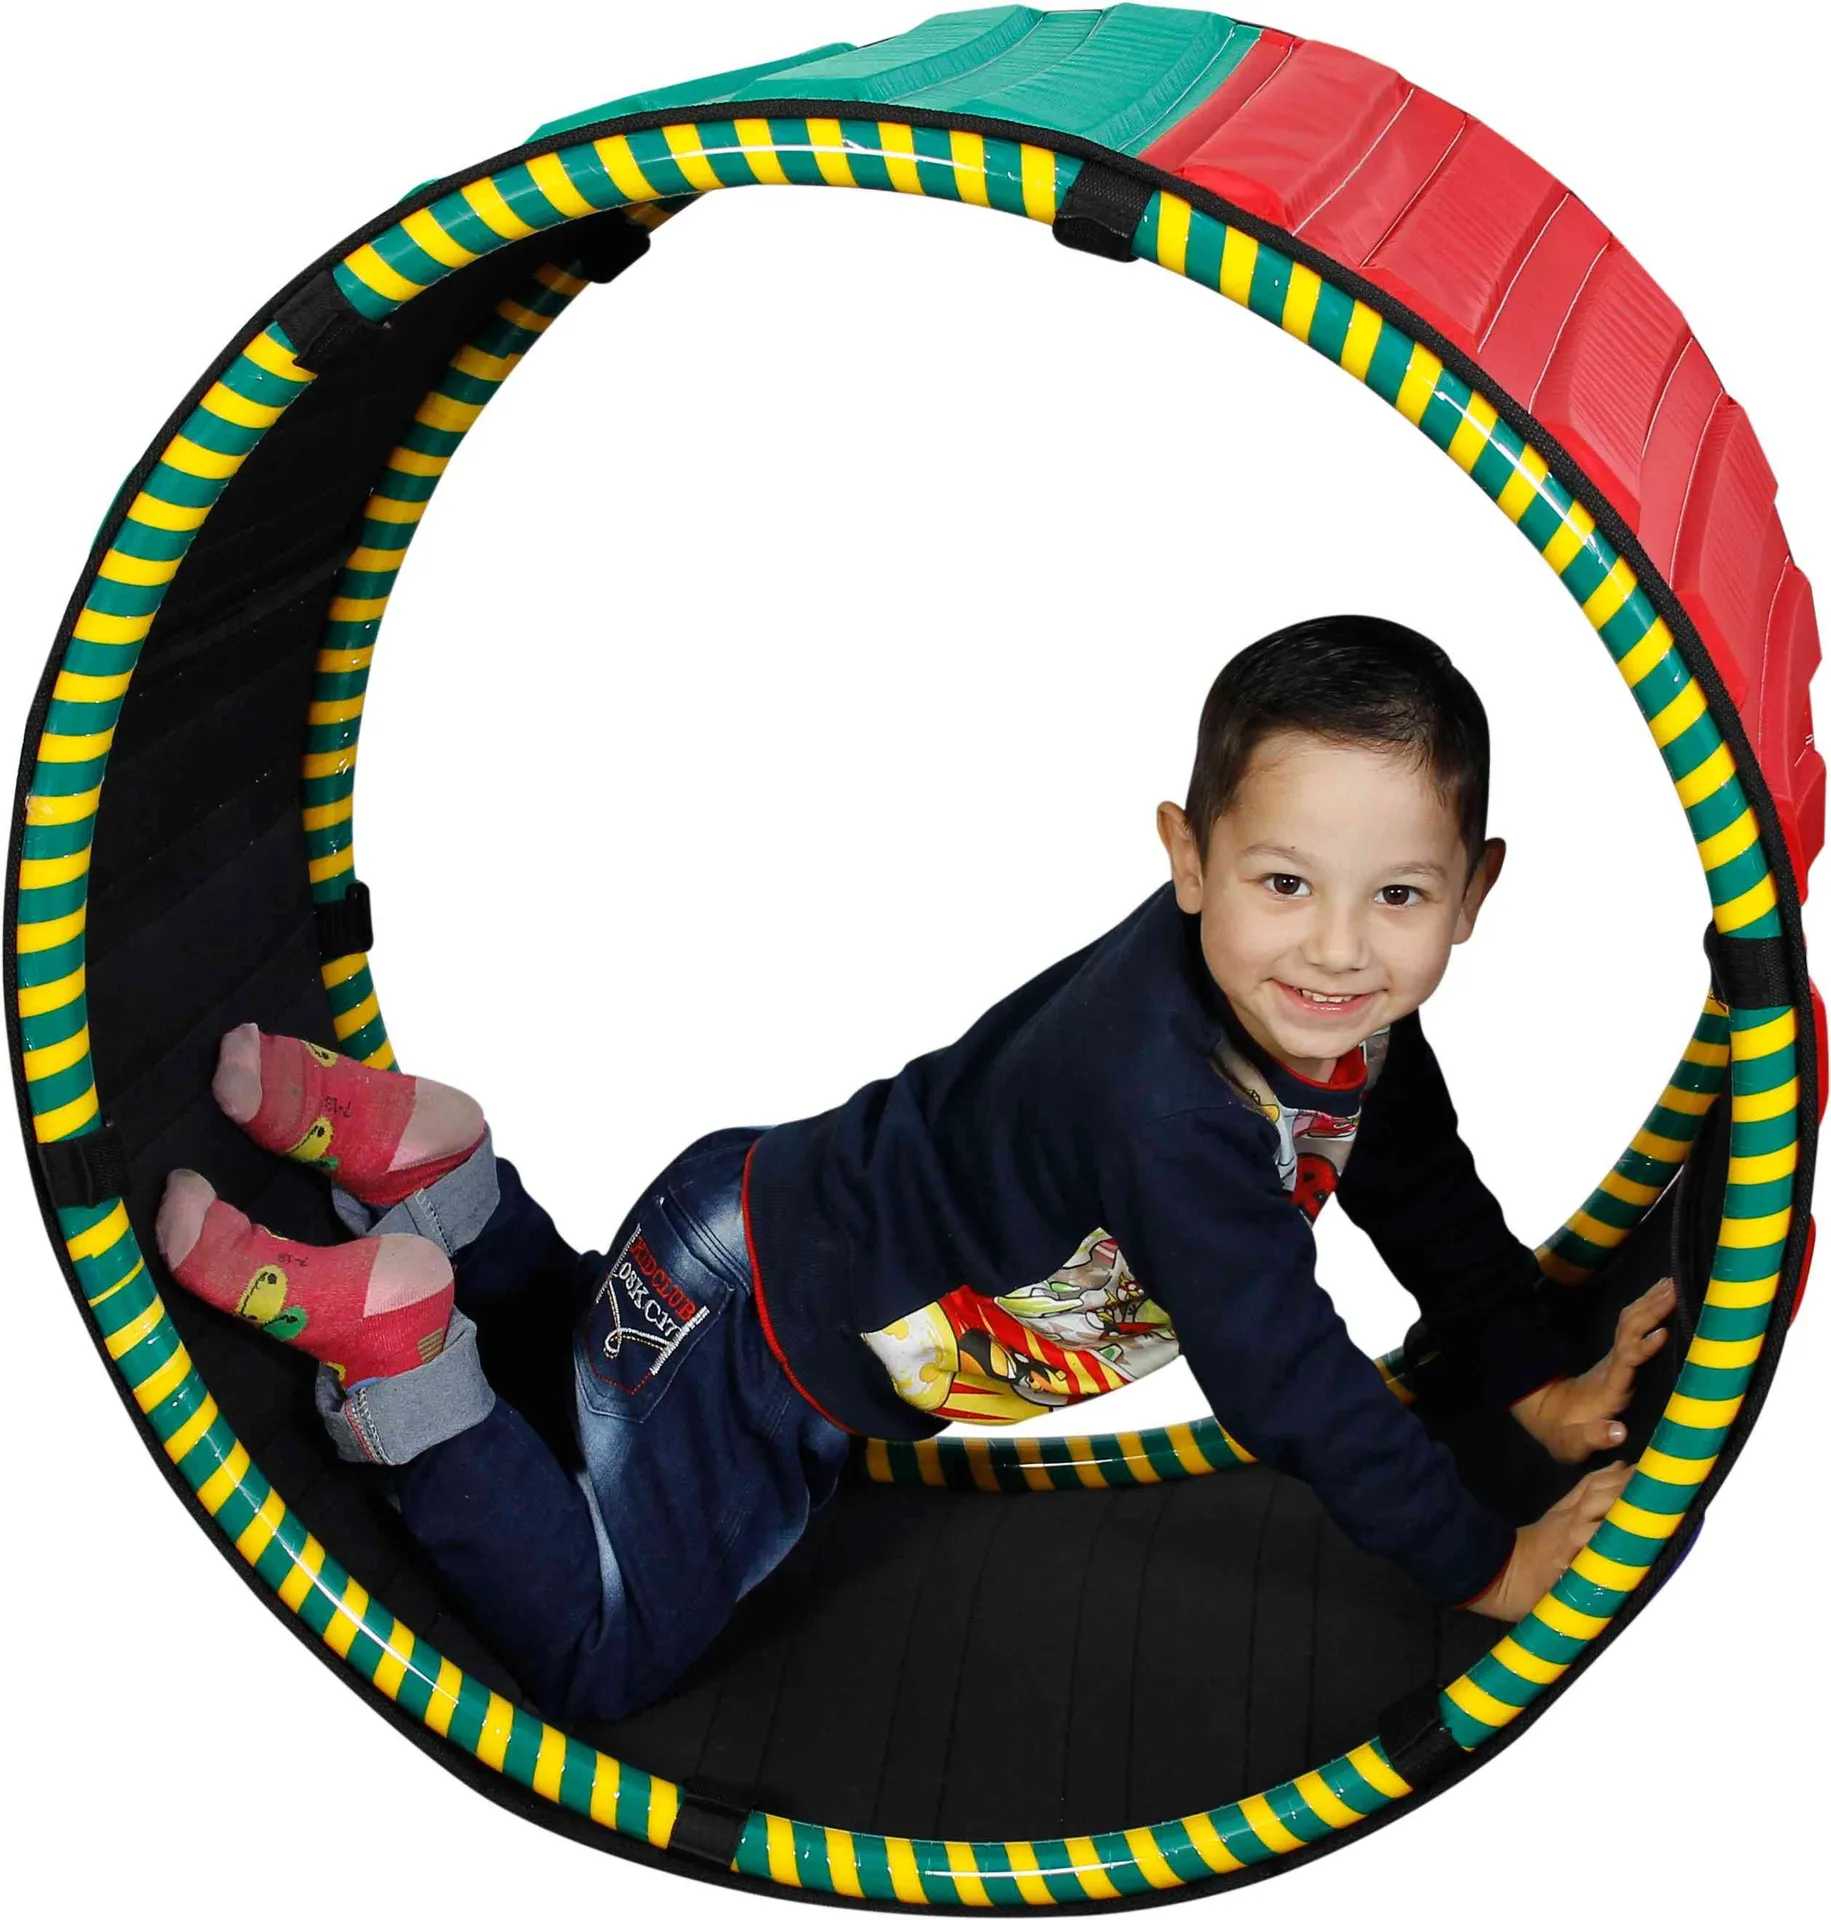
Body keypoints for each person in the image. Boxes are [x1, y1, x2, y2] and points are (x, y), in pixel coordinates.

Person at [155, 613, 1678, 1724]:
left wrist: (1530, 1380)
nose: (1338, 949)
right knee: (602, 1655)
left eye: (1397, 896)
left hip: (746, 1245)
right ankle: (405, 1359)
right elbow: (1291, 1381)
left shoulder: (1325, 1021)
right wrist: (1482, 1566)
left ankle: (434, 1177)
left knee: (585, 1379)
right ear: (1189, 856)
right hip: (761, 1344)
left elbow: (1423, 1194)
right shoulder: (1175, 1114)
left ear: (1472, 892)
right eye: (1286, 882)